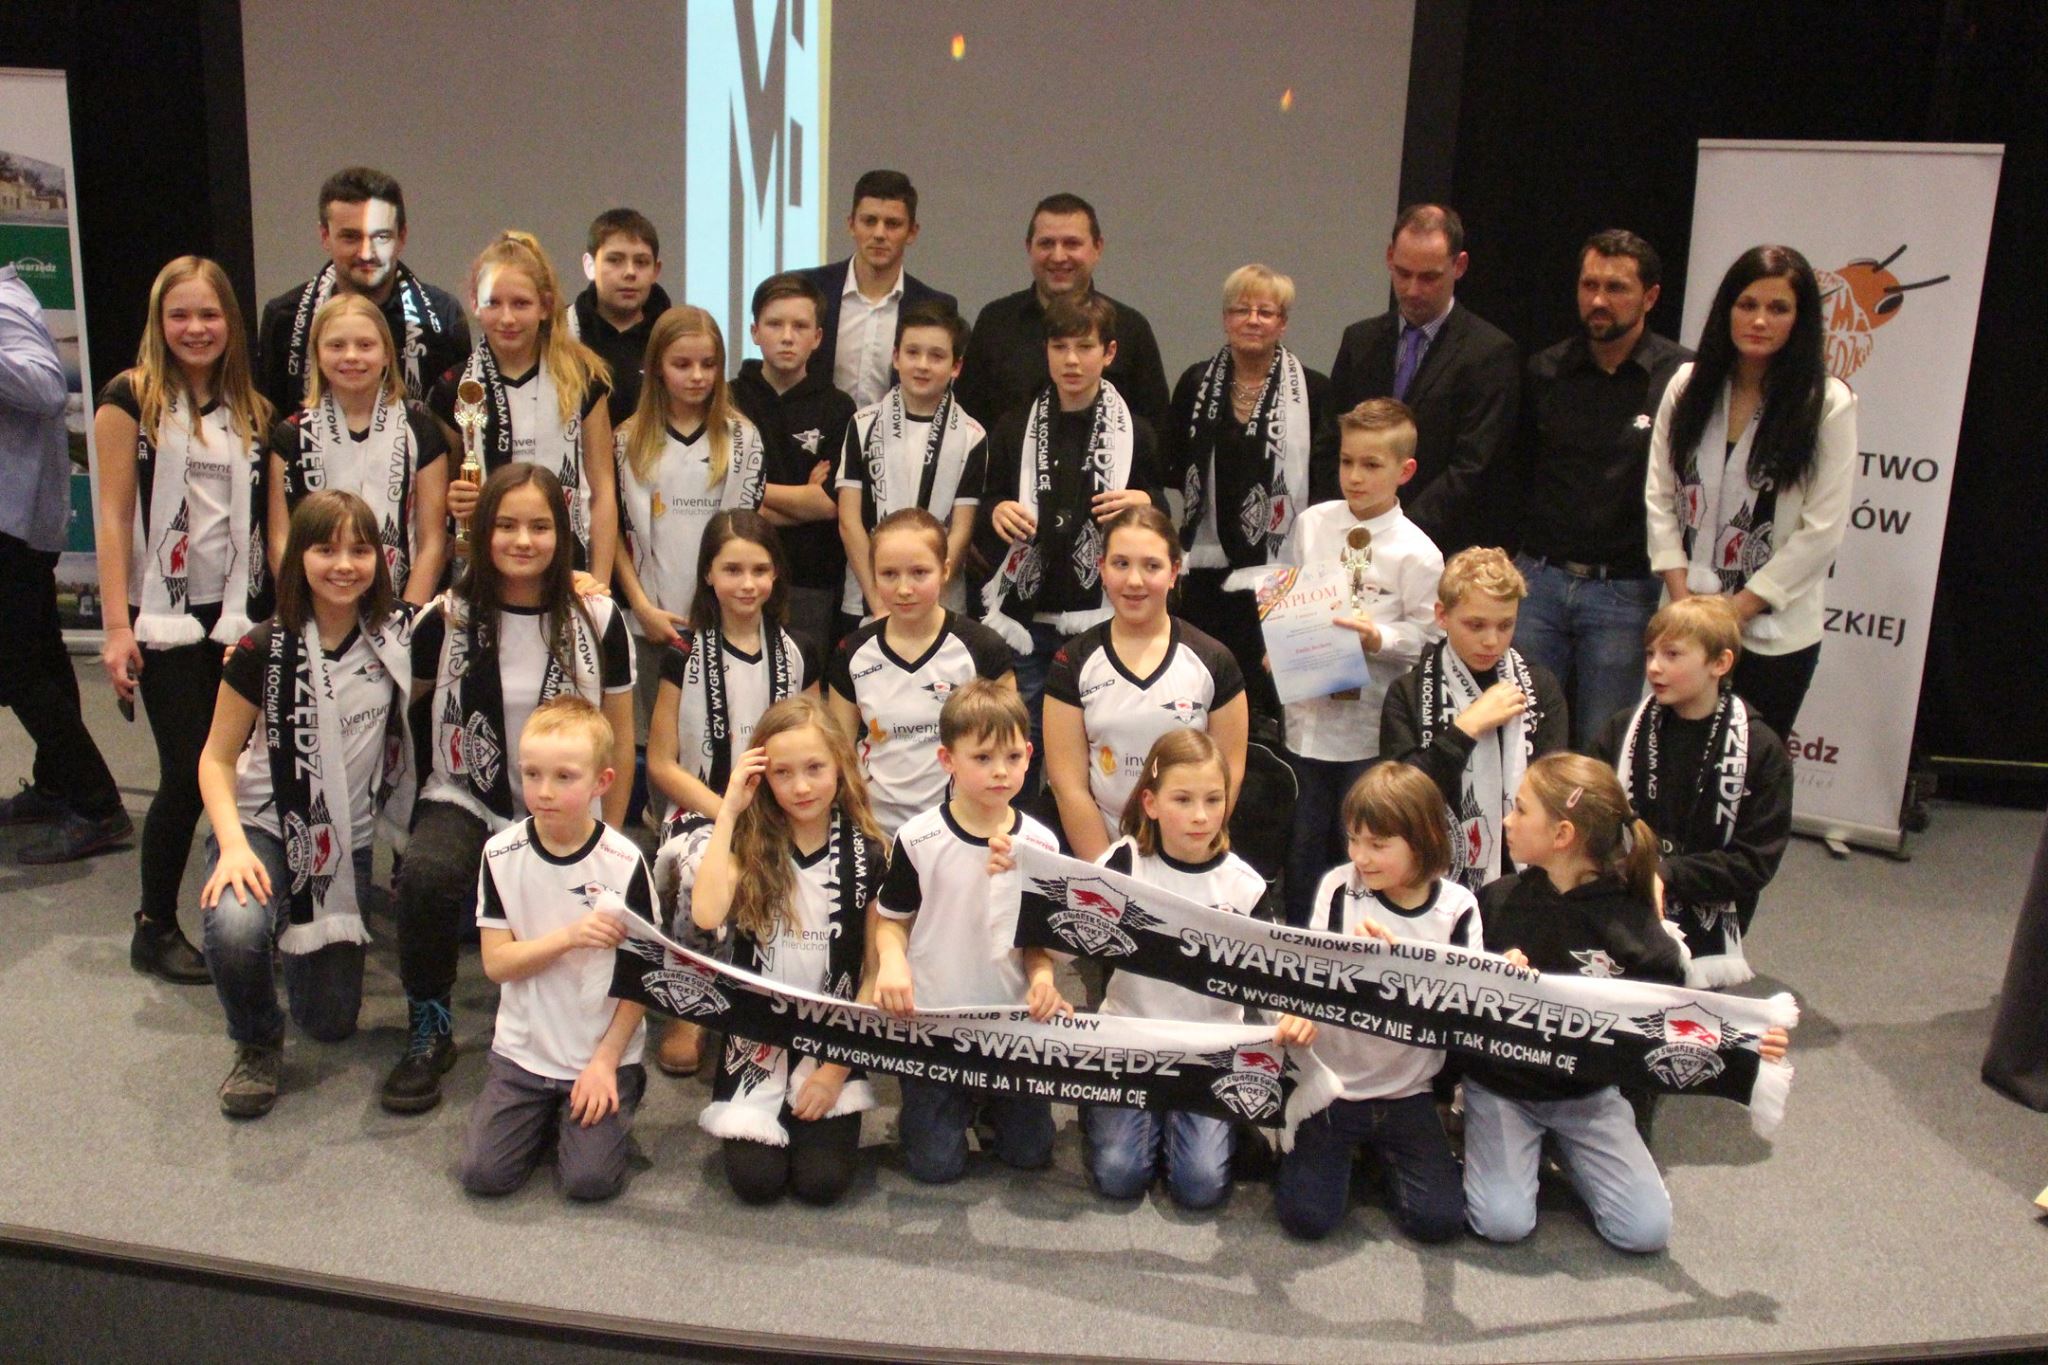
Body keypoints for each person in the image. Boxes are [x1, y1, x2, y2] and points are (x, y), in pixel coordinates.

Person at [384, 463, 636, 1115]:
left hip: (570, 804)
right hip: (469, 792)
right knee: (427, 874)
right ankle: (430, 1021)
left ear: (563, 533)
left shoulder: (597, 618)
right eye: (506, 525)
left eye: (540, 526)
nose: (523, 541)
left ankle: (585, 1029)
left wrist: (609, 835)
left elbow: (619, 733)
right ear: (481, 532)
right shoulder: (446, 618)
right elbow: (409, 709)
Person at [1464, 751, 1790, 1251]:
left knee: (1645, 1231)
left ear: (1562, 835)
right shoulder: (1497, 900)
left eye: (1521, 809)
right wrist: (1493, 975)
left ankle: (1561, 1147)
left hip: (1587, 1097)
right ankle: (1517, 1142)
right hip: (1502, 1087)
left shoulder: (1636, 929)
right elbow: (1455, 1000)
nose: (1507, 820)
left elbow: (1669, 1028)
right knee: (1503, 1223)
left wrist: (1748, 1043)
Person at [198, 491, 415, 1117]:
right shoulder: (260, 648)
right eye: (326, 549)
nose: (344, 565)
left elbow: (478, 605)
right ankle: (257, 1040)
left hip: (342, 838)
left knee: (329, 1024)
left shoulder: (399, 635)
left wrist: (580, 580)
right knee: (235, 929)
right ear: (298, 558)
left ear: (380, 559)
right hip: (261, 826)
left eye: (360, 550)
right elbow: (215, 759)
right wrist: (232, 847)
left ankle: (296, 939)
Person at [95, 256, 273, 984]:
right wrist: (116, 626)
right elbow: (112, 516)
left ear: (230, 320)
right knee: (185, 772)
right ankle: (154, 924)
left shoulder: (254, 410)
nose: (195, 328)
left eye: (209, 314)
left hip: (233, 612)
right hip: (161, 612)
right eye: (180, 315)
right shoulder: (129, 398)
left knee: (241, 767)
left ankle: (250, 906)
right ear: (158, 322)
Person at [671, 696, 888, 1205]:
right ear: (762, 778)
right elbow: (706, 915)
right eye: (782, 773)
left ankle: (823, 1089)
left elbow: (874, 974)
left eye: (815, 768)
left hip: (832, 1041)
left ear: (840, 764)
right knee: (756, 1182)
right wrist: (729, 809)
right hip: (756, 1041)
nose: (801, 786)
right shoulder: (748, 845)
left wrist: (835, 1071)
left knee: (821, 1184)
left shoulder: (870, 853)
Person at [1645, 244, 1857, 740]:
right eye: (1748, 305)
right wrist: (1684, 604)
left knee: (1747, 770)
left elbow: (1822, 532)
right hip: (1683, 620)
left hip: (1773, 637)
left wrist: (1732, 613)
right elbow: (1660, 496)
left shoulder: (1827, 403)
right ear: (1727, 309)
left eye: (1778, 308)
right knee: (1670, 761)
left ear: (1800, 320)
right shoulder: (1688, 385)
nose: (1760, 320)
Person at [458, 696, 656, 1202]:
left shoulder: (624, 862)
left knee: (589, 1182)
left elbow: (645, 980)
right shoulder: (499, 854)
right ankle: (543, 1113)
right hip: (523, 1054)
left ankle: (617, 1092)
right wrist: (569, 936)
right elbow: (497, 964)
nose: (544, 792)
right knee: (483, 1175)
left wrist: (605, 1061)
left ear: (601, 783)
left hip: (598, 1054)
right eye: (532, 774)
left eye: (565, 777)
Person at [643, 510, 815, 1078]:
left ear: (776, 575)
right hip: (702, 809)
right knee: (703, 870)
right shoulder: (683, 652)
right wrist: (729, 813)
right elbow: (662, 763)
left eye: (760, 570)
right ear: (708, 575)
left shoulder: (799, 651)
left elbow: (816, 745)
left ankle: (780, 996)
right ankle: (690, 1007)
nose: (747, 583)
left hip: (783, 807)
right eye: (732, 569)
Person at [872, 680, 1066, 1183]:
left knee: (1030, 1153)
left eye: (1012, 756)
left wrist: (1043, 980)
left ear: (1029, 756)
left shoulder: (1042, 844)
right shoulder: (918, 838)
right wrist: (892, 963)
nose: (1000, 770)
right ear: (947, 760)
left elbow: (1038, 943)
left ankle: (987, 1105)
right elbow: (891, 920)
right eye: (982, 757)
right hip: (936, 1022)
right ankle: (948, 1103)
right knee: (935, 1167)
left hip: (1011, 1024)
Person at [1276, 762, 1475, 1243]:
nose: (1360, 856)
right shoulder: (1338, 888)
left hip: (1408, 1090)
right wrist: (1301, 1010)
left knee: (1439, 1222)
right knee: (1306, 1217)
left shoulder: (1458, 907)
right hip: (1334, 1086)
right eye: (1353, 839)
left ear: (1423, 839)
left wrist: (1399, 966)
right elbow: (1309, 979)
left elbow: (1464, 1006)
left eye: (1378, 845)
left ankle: (1378, 1159)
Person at [974, 292, 1165, 790]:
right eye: (1060, 347)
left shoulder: (1135, 432)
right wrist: (997, 510)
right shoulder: (1015, 425)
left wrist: (1144, 500)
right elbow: (988, 500)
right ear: (1046, 352)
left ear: (1109, 352)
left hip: (1100, 616)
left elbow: (1162, 514)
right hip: (1029, 615)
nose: (1072, 360)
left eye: (1085, 347)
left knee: (1097, 742)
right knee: (1021, 741)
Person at [1086, 730, 1283, 1210]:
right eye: (1183, 799)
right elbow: (1063, 935)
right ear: (1150, 803)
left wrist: (1289, 1019)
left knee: (1200, 1188)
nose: (1200, 815)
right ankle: (1107, 1105)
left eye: (1213, 799)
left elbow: (1275, 979)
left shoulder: (1243, 886)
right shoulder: (1122, 864)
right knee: (1119, 1175)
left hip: (1209, 1053)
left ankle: (1196, 1122)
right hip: (1130, 1042)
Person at [1514, 230, 1690, 747]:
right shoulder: (1546, 369)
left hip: (1625, 590)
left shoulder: (1680, 378)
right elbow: (1518, 471)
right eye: (1589, 285)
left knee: (1605, 742)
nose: (1598, 300)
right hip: (1539, 581)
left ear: (1650, 297)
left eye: (1616, 288)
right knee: (1523, 734)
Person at [1276, 400, 1443, 928]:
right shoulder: (1312, 524)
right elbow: (1286, 594)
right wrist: (1279, 642)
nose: (1354, 476)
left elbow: (1432, 639)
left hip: (1368, 728)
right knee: (1302, 847)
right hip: (1306, 719)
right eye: (1347, 461)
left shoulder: (1418, 553)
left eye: (1372, 465)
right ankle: (1298, 946)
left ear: (1405, 471)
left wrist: (1379, 637)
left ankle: (1357, 943)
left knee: (1361, 847)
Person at [1590, 595, 1792, 988]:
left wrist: (1668, 872)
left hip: (1707, 912)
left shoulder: (1760, 749)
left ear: (1720, 663)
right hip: (1618, 897)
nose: (1654, 667)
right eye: (1650, 653)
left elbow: (1755, 861)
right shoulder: (1623, 730)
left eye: (1672, 654)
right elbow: (1590, 815)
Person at [0, 259, 130, 864]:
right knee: (42, 660)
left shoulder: (5, 303)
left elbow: (49, 389)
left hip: (11, 526)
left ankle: (99, 805)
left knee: (18, 670)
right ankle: (59, 784)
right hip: (16, 522)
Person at [613, 306, 768, 807]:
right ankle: (665, 841)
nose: (697, 376)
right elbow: (613, 533)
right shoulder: (627, 439)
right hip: (655, 623)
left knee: (726, 743)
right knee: (662, 752)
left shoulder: (742, 438)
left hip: (725, 621)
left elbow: (745, 537)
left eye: (708, 364)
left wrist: (724, 611)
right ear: (657, 366)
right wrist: (641, 606)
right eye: (682, 364)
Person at [1164, 264, 1330, 723]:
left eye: (1266, 311)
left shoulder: (1314, 390)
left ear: (1283, 323)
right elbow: (1173, 462)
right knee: (1202, 697)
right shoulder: (1195, 383)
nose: (1253, 320)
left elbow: (1324, 481)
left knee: (1278, 704)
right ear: (1225, 319)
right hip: (1208, 571)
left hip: (1285, 572)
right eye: (1241, 310)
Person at [1043, 507, 1247, 862]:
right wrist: (1107, 873)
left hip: (1189, 854)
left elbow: (1230, 773)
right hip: (1103, 855)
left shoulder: (1213, 660)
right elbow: (1068, 786)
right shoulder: (1072, 661)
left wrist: (1185, 856)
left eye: (1151, 566)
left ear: (1174, 572)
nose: (1134, 581)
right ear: (1101, 568)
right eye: (1121, 564)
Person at [1323, 204, 1518, 554]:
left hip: (1438, 545)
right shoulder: (1360, 341)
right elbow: (1331, 440)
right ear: (1389, 257)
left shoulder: (1489, 352)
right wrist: (1348, 520)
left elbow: (1472, 466)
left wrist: (1396, 531)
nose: (1412, 290)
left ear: (1459, 266)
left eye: (1429, 277)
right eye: (1403, 273)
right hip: (1352, 536)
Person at [1380, 548, 1567, 894]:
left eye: (1505, 625)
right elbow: (1397, 799)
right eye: (1475, 625)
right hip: (1434, 873)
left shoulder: (1540, 687)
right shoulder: (1407, 692)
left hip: (1524, 877)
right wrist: (1465, 730)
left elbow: (1556, 790)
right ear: (1442, 615)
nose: (1491, 641)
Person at [431, 232, 616, 578]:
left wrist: (601, 582)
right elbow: (442, 490)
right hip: (486, 570)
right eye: (493, 303)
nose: (507, 318)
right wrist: (452, 499)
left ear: (545, 306)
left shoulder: (581, 379)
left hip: (567, 566)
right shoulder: (454, 388)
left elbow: (603, 490)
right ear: (474, 303)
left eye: (520, 304)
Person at [825, 509, 1014, 839]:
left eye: (919, 573)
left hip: (960, 831)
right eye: (889, 574)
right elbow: (839, 755)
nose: (904, 588)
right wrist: (864, 832)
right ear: (872, 574)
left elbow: (1008, 751)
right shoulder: (851, 653)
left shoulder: (983, 648)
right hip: (875, 832)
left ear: (945, 570)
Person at [265, 294, 449, 604]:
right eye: (336, 346)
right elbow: (279, 541)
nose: (351, 356)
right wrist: (307, 612)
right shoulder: (291, 435)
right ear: (317, 354)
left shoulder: (421, 432)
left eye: (365, 345)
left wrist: (406, 616)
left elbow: (433, 543)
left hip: (399, 606)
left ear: (387, 354)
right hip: (314, 610)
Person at [256, 166, 469, 418]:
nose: (366, 253)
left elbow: (462, 420)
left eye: (381, 237)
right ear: (325, 236)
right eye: (350, 237)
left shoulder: (441, 317)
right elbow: (271, 422)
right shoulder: (285, 318)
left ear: (402, 237)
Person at [957, 193, 1170, 433]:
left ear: (1098, 247)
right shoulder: (995, 322)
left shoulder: (1130, 328)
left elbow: (1157, 431)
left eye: (1072, 243)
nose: (1058, 257)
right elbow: (968, 424)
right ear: (1029, 247)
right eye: (1046, 243)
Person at [835, 300, 985, 631]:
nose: (922, 365)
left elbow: (961, 530)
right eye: (912, 352)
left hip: (941, 603)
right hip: (867, 600)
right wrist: (879, 601)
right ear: (895, 357)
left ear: (956, 366)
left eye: (937, 356)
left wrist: (926, 595)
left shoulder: (972, 435)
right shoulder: (862, 424)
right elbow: (849, 521)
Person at [729, 274, 856, 660]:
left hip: (811, 580)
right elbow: (719, 499)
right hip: (736, 575)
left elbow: (828, 505)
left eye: (800, 326)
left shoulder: (838, 408)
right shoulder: (728, 400)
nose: (787, 337)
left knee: (803, 683)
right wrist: (802, 496)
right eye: (774, 324)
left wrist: (746, 489)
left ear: (817, 337)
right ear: (754, 331)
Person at [796, 170, 956, 409]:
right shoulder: (808, 289)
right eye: (869, 221)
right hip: (815, 431)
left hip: (900, 432)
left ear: (912, 232)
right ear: (851, 225)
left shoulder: (935, 306)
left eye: (893, 224)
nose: (879, 234)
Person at [569, 208, 671, 427]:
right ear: (589, 266)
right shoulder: (561, 332)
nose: (629, 272)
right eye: (615, 260)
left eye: (641, 262)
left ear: (656, 270)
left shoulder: (674, 336)